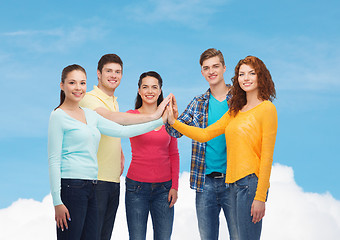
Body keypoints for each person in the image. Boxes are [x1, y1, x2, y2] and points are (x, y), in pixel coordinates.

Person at [48, 64, 168, 240]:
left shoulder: (91, 115)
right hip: (70, 186)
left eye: (82, 83)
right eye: (72, 83)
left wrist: (160, 120)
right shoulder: (58, 116)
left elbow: (123, 131)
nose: (78, 88)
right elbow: (53, 160)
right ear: (62, 85)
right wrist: (57, 201)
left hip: (92, 186)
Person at [167, 56, 278, 240]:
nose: (246, 78)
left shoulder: (267, 109)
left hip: (250, 185)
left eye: (252, 73)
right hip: (232, 186)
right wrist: (173, 121)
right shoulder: (235, 110)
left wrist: (260, 197)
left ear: (261, 77)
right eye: (242, 74)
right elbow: (205, 134)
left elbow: (267, 157)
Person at [79, 54, 170, 240]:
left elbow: (112, 129)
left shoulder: (114, 101)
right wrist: (155, 117)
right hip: (95, 180)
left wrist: (119, 150)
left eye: (118, 72)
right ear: (98, 73)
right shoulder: (89, 99)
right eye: (109, 71)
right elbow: (110, 118)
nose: (114, 75)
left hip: (113, 181)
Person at [165, 48, 237, 240]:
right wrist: (173, 116)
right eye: (206, 68)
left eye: (215, 66)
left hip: (234, 181)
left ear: (224, 68)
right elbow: (174, 131)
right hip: (205, 183)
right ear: (202, 72)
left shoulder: (239, 100)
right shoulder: (198, 103)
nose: (211, 71)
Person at [125, 71, 180, 240]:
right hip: (136, 189)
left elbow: (174, 154)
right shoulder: (131, 116)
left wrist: (175, 186)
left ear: (160, 91)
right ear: (139, 91)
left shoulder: (168, 118)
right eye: (145, 87)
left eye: (154, 87)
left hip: (164, 190)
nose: (150, 91)